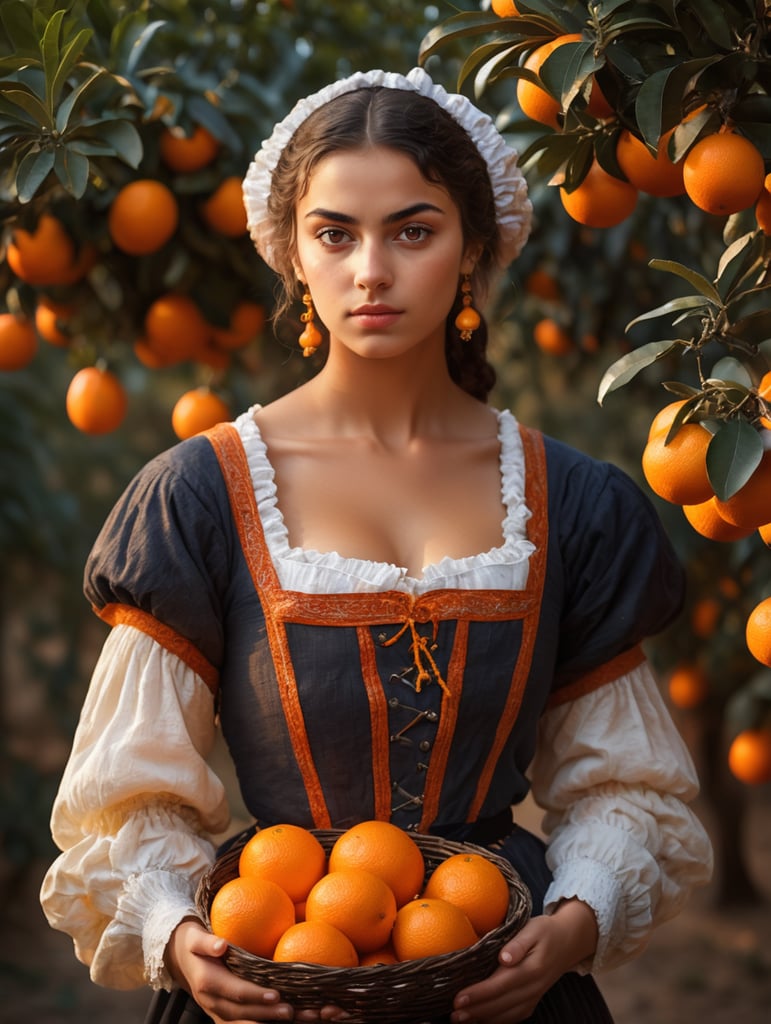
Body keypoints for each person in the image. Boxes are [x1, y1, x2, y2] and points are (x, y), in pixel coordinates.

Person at [41, 67, 713, 1024]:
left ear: (474, 248)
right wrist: (179, 934)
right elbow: (130, 792)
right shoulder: (198, 495)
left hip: (503, 978)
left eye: (412, 230)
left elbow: (620, 782)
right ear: (292, 257)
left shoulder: (574, 502)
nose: (370, 271)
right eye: (335, 234)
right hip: (274, 968)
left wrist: (571, 922)